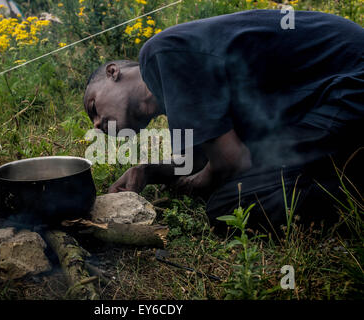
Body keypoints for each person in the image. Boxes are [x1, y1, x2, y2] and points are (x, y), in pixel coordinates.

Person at [83, 10, 363, 233]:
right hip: (325, 98)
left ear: (113, 72)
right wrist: (148, 171)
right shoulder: (173, 91)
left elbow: (231, 161)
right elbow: (201, 156)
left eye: (93, 106)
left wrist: (201, 183)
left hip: (348, 80)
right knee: (250, 179)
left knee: (228, 205)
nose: (96, 125)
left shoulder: (158, 54)